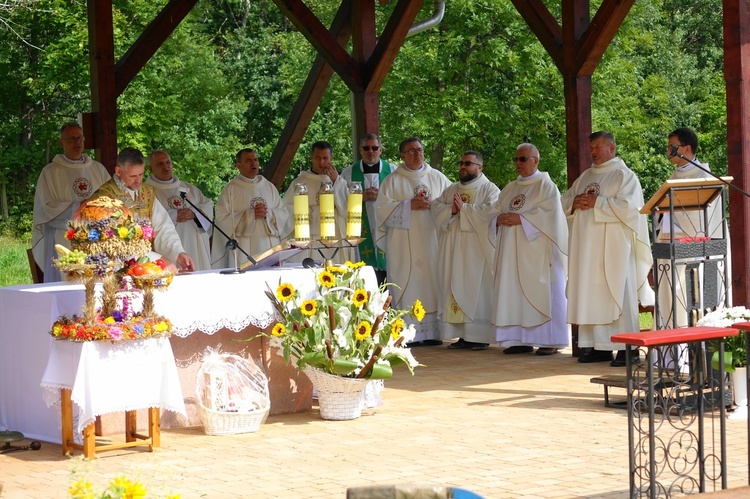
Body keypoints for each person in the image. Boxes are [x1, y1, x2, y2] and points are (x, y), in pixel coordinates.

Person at [562, 131, 653, 366]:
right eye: (591, 147)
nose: (593, 152)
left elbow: (632, 210)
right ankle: (598, 347)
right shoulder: (585, 176)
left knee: (618, 294)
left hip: (615, 251)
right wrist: (574, 203)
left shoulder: (625, 176)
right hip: (587, 250)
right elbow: (564, 201)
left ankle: (627, 348)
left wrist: (598, 203)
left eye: (598, 147)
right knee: (591, 294)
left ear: (612, 148)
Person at [492, 144, 569, 356]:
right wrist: (497, 219)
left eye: (523, 159)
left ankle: (549, 341)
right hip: (511, 252)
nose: (518, 163)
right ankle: (518, 339)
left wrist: (521, 219)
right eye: (516, 159)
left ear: (536, 160)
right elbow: (495, 210)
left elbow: (551, 216)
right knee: (513, 291)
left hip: (538, 252)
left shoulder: (546, 186)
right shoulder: (509, 189)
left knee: (544, 293)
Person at [375, 136, 451, 345]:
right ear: (402, 155)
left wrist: (433, 204)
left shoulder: (438, 178)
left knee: (432, 283)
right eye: (411, 151)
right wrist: (408, 206)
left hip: (432, 243)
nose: (417, 154)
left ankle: (434, 333)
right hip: (404, 247)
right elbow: (381, 211)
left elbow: (452, 205)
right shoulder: (392, 180)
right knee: (407, 283)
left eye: (419, 149)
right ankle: (409, 333)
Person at [657, 128, 728, 328]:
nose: (667, 151)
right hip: (671, 252)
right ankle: (674, 353)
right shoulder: (674, 177)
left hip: (696, 253)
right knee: (673, 300)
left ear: (686, 148)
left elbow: (705, 221)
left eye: (672, 147)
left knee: (694, 300)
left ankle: (699, 349)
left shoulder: (705, 177)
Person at [432, 150, 500, 350]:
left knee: (475, 290)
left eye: (468, 163)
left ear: (480, 167)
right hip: (453, 249)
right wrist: (451, 211)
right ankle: (462, 335)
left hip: (475, 250)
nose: (463, 167)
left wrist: (465, 210)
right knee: (453, 285)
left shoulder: (490, 189)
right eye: (461, 163)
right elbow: (435, 208)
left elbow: (493, 211)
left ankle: (478, 336)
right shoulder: (451, 189)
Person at [91, 147, 195, 272]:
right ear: (118, 171)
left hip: (147, 268)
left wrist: (178, 253)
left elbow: (163, 227)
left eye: (141, 174)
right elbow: (116, 243)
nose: (138, 180)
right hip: (115, 269)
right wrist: (158, 259)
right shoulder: (105, 198)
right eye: (133, 176)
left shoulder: (147, 192)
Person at [31, 122, 111, 282]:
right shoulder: (50, 172)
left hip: (97, 237)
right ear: (61, 143)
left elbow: (112, 198)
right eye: (71, 139)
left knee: (99, 284)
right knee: (69, 281)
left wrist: (97, 206)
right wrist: (79, 206)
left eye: (79, 138)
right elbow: (45, 208)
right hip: (64, 237)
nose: (77, 142)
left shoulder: (98, 168)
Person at [211, 148, 289, 269]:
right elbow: (222, 219)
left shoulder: (268, 186)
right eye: (248, 160)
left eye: (255, 160)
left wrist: (267, 214)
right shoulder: (230, 189)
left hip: (267, 245)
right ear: (238, 165)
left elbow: (283, 213)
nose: (254, 163)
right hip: (243, 249)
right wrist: (250, 215)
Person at [341, 133, 397, 284]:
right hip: (361, 228)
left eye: (374, 148)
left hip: (386, 227)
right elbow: (339, 202)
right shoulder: (348, 173)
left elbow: (400, 199)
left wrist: (381, 197)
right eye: (366, 148)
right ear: (360, 150)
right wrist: (360, 197)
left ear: (381, 150)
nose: (370, 151)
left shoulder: (393, 171)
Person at [281, 141, 350, 264]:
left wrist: (335, 182)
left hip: (332, 237)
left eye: (325, 158)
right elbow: (285, 208)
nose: (321, 162)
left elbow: (345, 209)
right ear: (311, 157)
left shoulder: (339, 182)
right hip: (308, 235)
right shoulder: (300, 182)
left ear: (331, 158)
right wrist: (305, 212)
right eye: (318, 157)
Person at [145, 150, 213, 271]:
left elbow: (208, 204)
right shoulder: (147, 192)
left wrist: (194, 213)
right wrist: (174, 215)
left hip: (195, 244)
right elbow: (149, 219)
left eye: (168, 162)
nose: (165, 166)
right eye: (160, 164)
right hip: (170, 247)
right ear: (150, 168)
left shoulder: (188, 188)